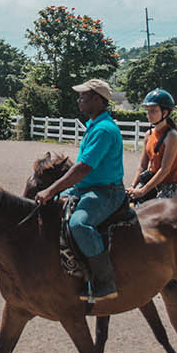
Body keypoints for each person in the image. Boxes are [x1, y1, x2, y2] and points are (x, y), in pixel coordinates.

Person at [33, 78, 125, 302]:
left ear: (96, 99)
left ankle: (104, 280)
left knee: (79, 224)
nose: (79, 100)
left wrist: (51, 190)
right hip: (86, 188)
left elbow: (83, 168)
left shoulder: (104, 129)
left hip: (106, 192)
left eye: (83, 96)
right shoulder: (94, 124)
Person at [128, 88, 177, 202]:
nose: (148, 115)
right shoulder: (148, 134)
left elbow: (165, 169)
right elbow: (142, 165)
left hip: (170, 187)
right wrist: (133, 186)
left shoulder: (172, 136)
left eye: (153, 111)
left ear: (165, 113)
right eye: (147, 111)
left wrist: (143, 190)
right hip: (152, 183)